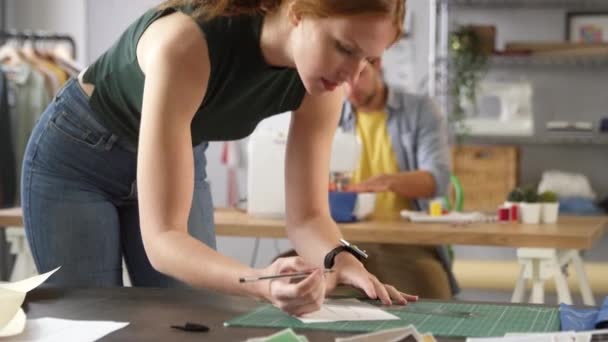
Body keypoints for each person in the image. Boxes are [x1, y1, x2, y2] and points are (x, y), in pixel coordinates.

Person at [21, 0, 416, 316]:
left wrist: (341, 260)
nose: (352, 76)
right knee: (93, 320)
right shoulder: (187, 44)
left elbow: (310, 217)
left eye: (368, 59)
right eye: (345, 48)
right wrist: (258, 280)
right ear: (298, 12)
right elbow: (164, 239)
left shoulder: (328, 84)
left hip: (180, 153)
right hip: (78, 158)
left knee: (192, 319)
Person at [341, 61, 459, 299]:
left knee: (431, 290)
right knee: (289, 277)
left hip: (407, 244)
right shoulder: (329, 114)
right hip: (345, 243)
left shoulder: (420, 110)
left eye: (359, 74)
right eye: (342, 79)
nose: (350, 88)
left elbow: (437, 180)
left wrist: (386, 181)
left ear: (377, 64)